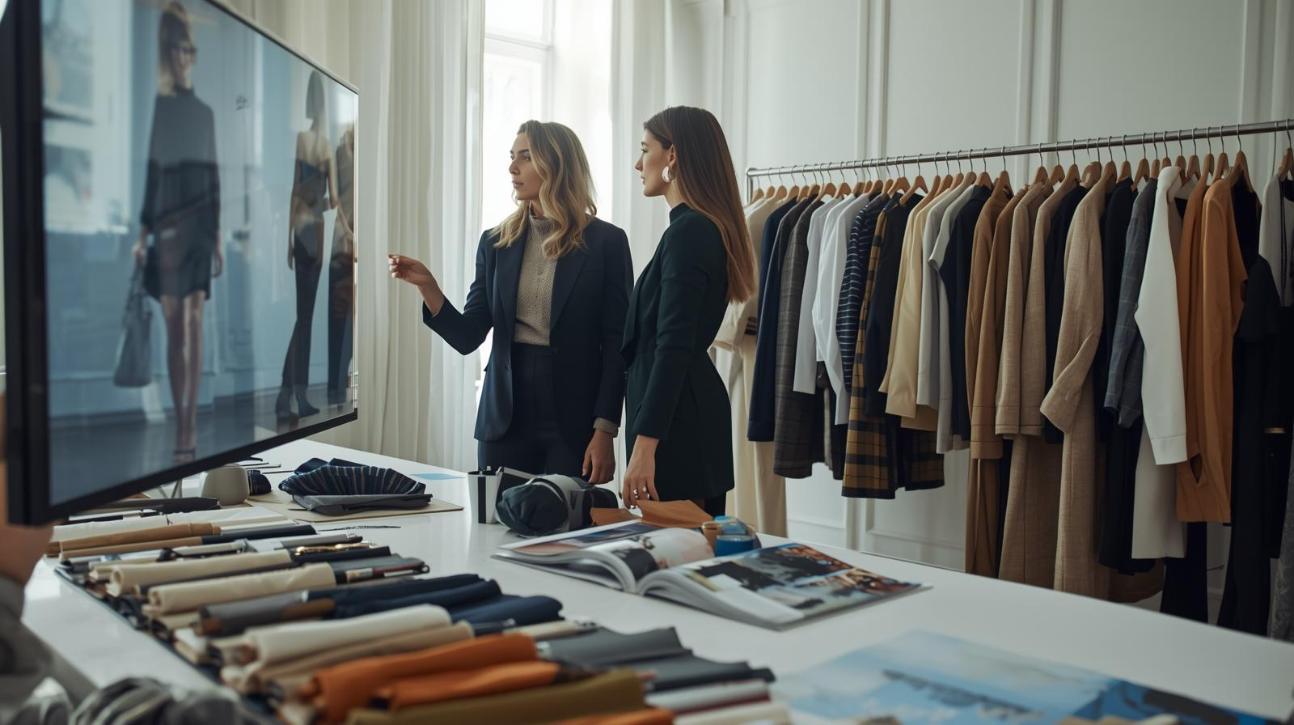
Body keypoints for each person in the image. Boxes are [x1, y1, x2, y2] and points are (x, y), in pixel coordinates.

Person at [389, 121, 632, 482]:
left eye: (525, 157)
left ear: (556, 164)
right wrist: (429, 288)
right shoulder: (495, 242)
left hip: (574, 420)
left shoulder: (606, 243)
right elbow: (468, 336)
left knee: (566, 532)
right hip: (504, 416)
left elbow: (617, 346)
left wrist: (605, 429)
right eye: (511, 157)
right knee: (497, 527)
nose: (512, 168)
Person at [622, 106, 756, 516]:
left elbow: (674, 345)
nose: (637, 163)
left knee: (676, 566)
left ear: (673, 156)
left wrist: (646, 445)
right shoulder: (690, 229)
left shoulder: (691, 232)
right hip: (676, 418)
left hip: (678, 427)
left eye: (645, 149)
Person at [132, 1, 221, 461]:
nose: (185, 56)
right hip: (166, 230)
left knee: (193, 321)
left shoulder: (204, 113)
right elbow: (152, 173)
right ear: (169, 53)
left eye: (191, 49)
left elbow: (213, 179)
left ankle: (187, 427)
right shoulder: (162, 110)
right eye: (178, 49)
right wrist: (142, 233)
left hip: (200, 230)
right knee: (172, 329)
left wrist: (219, 237)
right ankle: (178, 421)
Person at [278, 70, 352, 420]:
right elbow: (335, 199)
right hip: (317, 235)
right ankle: (299, 395)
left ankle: (284, 394)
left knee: (300, 316)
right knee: (305, 319)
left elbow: (294, 192)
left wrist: (287, 243)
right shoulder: (324, 144)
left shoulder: (300, 139)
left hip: (298, 231)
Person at [327, 125, 356, 407]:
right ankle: (334, 388)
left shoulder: (359, 156)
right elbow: (335, 202)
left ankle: (340, 385)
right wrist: (349, 235)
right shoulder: (339, 154)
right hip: (342, 245)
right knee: (338, 318)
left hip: (356, 248)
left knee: (350, 321)